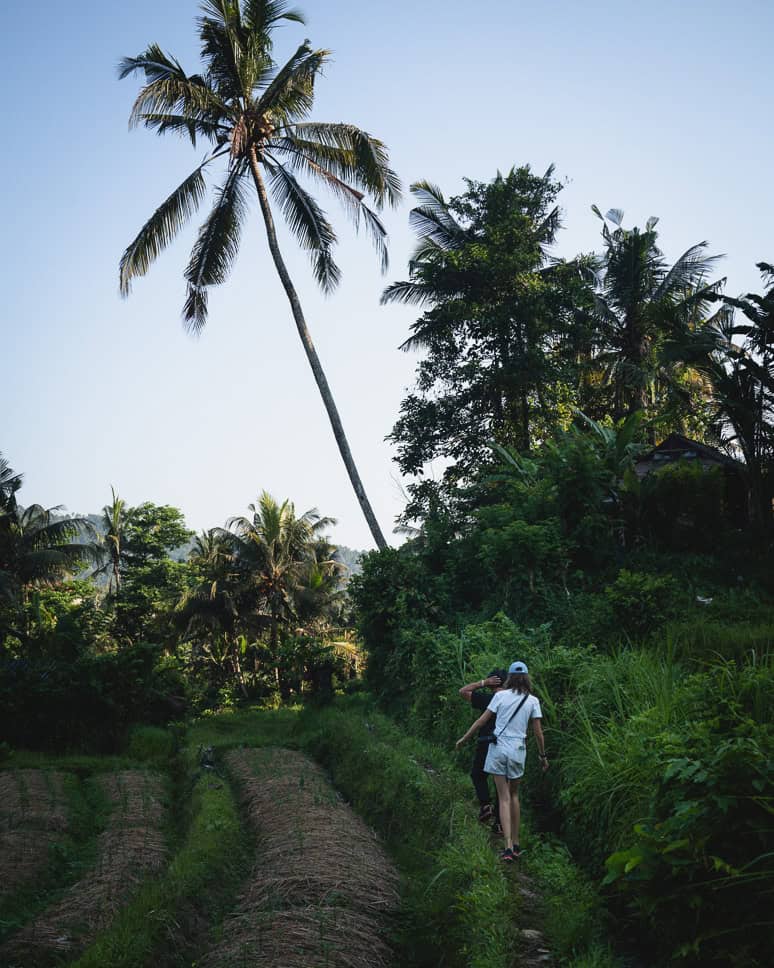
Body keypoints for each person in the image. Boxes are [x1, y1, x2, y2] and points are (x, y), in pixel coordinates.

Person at [456, 660, 548, 863]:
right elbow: (538, 733)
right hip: (518, 750)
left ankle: (506, 847)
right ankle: (516, 843)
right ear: (526, 677)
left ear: (509, 678)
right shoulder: (532, 701)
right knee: (514, 796)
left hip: (498, 749)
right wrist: (542, 756)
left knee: (503, 797)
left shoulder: (499, 696)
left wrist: (464, 738)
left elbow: (481, 721)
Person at [458, 669, 507, 825]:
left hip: (486, 741)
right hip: (507, 745)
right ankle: (499, 824)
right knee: (501, 786)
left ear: (492, 682)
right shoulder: (512, 702)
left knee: (478, 775)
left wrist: (483, 683)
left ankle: (486, 805)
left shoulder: (488, 699)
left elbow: (463, 691)